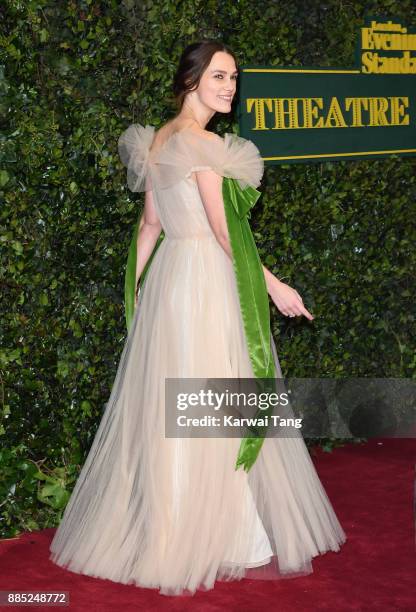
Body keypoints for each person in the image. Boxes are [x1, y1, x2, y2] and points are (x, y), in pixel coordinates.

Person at [49, 40, 346, 597]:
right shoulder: (204, 143)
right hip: (209, 282)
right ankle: (223, 537)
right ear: (191, 80)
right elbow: (223, 230)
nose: (230, 86)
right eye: (218, 75)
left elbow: (150, 228)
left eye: (233, 76)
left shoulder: (159, 140)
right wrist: (276, 286)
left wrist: (136, 295)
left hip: (172, 286)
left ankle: (173, 533)